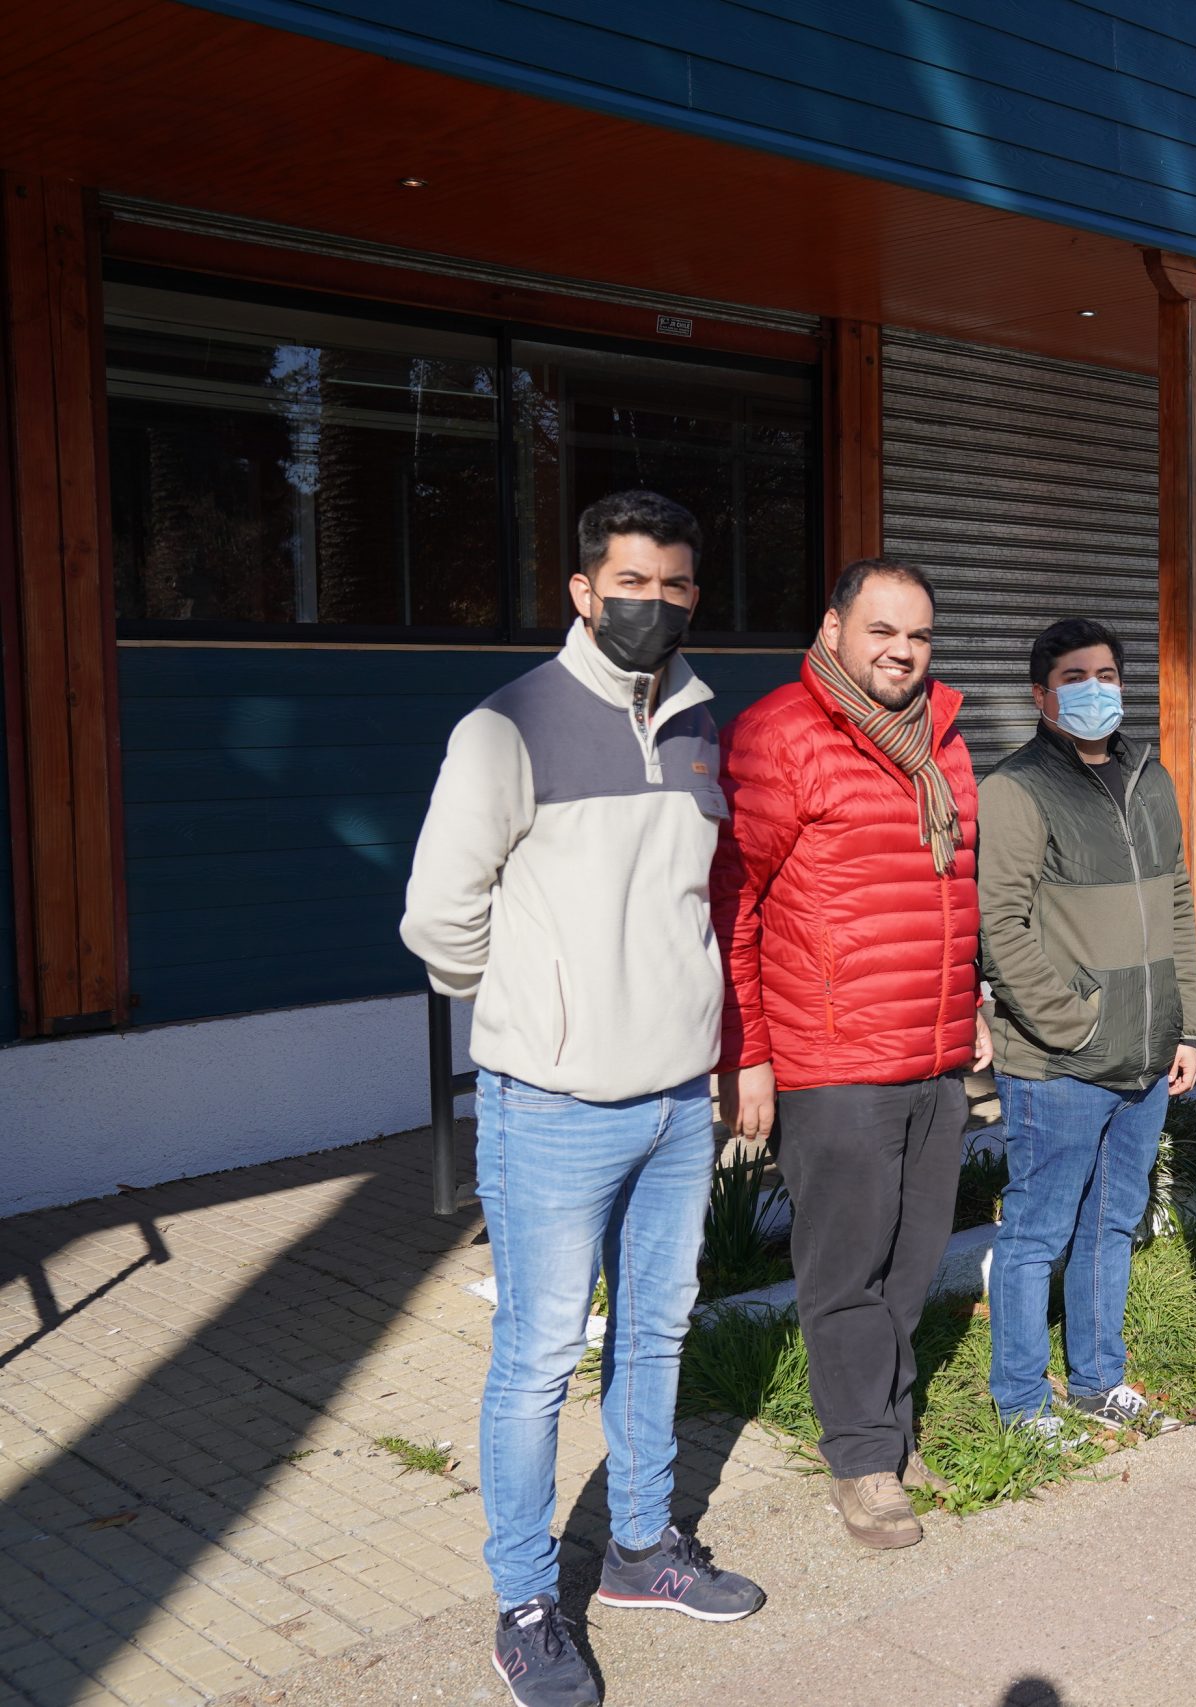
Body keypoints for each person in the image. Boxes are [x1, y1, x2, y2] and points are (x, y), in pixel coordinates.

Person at [403, 490, 763, 1707]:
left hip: (675, 1102)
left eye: (674, 586)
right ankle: (524, 1603)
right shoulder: (504, 728)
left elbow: (697, 901)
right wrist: (532, 1008)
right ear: (581, 591)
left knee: (657, 1332)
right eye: (630, 584)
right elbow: (438, 919)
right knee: (538, 1361)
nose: (652, 604)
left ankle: (642, 1550)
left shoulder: (703, 724)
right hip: (553, 1107)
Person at [711, 558, 989, 1552]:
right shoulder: (780, 734)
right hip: (833, 1057)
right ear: (833, 630)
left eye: (918, 635)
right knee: (846, 1268)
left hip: (933, 1049)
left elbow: (953, 887)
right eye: (881, 630)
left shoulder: (941, 739)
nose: (902, 652)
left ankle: (887, 1424)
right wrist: (744, 1052)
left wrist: (971, 1002)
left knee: (911, 1263)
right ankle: (863, 1458)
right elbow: (731, 901)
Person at [976, 618, 1196, 1438]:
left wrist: (1185, 1025)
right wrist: (1074, 1023)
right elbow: (999, 926)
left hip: (1146, 1052)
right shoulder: (1016, 788)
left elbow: (1177, 902)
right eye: (1074, 677)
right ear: (1041, 693)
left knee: (1111, 1223)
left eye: (1106, 674)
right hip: (1059, 1063)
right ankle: (1021, 1401)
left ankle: (1098, 1381)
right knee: (1038, 1231)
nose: (1094, 689)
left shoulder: (1150, 776)